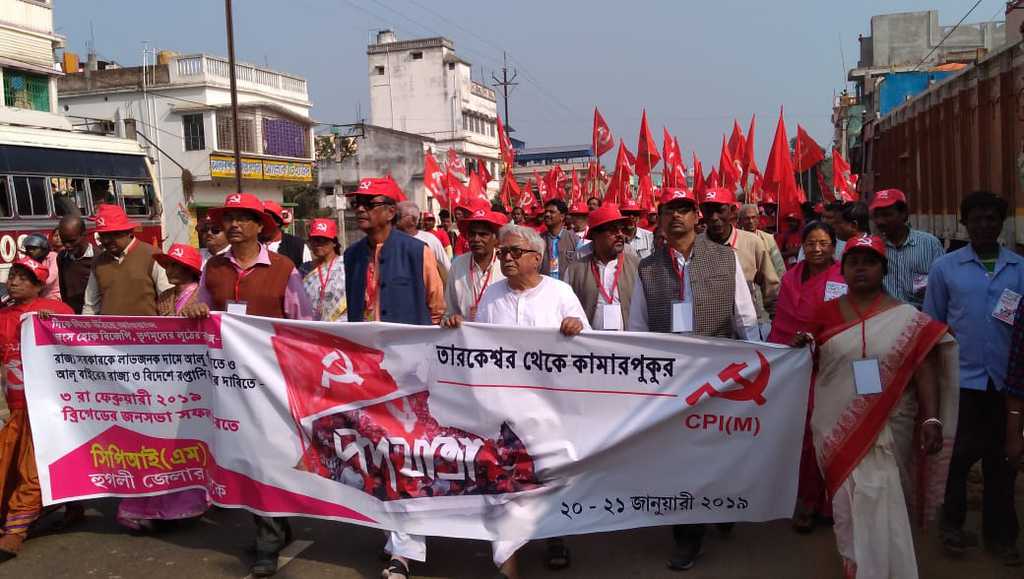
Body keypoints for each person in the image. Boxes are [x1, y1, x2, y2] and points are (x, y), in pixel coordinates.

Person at [797, 235, 957, 579]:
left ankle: (890, 568)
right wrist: (802, 346)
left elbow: (924, 366)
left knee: (887, 494)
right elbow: (809, 360)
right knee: (847, 499)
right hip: (836, 422)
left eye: (869, 262)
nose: (860, 269)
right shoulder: (824, 313)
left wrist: (931, 417)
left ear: (883, 269)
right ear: (843, 269)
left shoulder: (906, 317)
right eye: (853, 262)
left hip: (891, 422)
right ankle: (855, 564)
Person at [440, 222, 588, 579]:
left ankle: (555, 538)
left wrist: (574, 326)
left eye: (513, 252)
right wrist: (455, 325)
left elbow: (589, 349)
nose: (505, 258)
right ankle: (508, 562)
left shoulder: (560, 293)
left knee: (551, 475)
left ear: (536, 259)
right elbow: (480, 346)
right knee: (504, 481)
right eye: (502, 252)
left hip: (551, 408)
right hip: (503, 410)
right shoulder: (491, 296)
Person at [627, 187, 758, 571]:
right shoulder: (648, 267)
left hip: (717, 374)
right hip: (670, 379)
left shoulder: (724, 258)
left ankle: (722, 502)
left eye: (684, 209)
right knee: (679, 456)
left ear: (696, 217)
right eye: (670, 210)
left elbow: (745, 317)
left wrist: (761, 360)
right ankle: (687, 535)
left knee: (717, 447)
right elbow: (638, 328)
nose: (677, 217)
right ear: (660, 217)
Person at [182, 192, 312, 577]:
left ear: (260, 226)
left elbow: (301, 322)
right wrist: (194, 308)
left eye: (243, 218)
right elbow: (200, 308)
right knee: (246, 454)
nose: (234, 224)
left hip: (270, 380)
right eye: (229, 218)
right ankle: (274, 528)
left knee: (266, 456)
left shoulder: (284, 267)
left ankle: (269, 539)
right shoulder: (213, 268)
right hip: (227, 380)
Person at [922, 191, 1024, 564]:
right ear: (964, 223)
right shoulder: (945, 269)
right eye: (976, 219)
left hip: (1004, 385)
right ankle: (951, 526)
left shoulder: (1019, 269)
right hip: (960, 382)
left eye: (991, 220)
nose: (984, 225)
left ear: (1002, 224)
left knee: (1003, 462)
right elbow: (932, 326)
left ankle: (1002, 537)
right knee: (957, 459)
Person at [116, 243, 210, 532]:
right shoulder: (165, 297)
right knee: (159, 440)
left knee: (190, 439)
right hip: (164, 378)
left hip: (196, 379)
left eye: (174, 266)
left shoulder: (203, 297)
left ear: (189, 269)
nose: (168, 271)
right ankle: (152, 504)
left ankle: (188, 501)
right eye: (167, 265)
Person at [767, 221, 845, 533]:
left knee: (828, 435)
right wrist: (786, 350)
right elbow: (782, 322)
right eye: (810, 243)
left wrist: (818, 341)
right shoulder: (789, 278)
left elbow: (846, 321)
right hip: (795, 367)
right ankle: (804, 497)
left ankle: (826, 501)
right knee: (801, 437)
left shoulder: (842, 277)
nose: (816, 249)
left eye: (823, 243)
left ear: (833, 246)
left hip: (831, 368)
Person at [0, 257, 73, 560]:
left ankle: (15, 531)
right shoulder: (3, 315)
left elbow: (79, 347)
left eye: (22, 278)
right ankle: (71, 506)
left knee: (32, 469)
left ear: (39, 285)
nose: (14, 282)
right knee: (8, 464)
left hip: (48, 407)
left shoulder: (57, 311)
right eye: (13, 276)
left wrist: (55, 326)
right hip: (14, 405)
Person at [344, 178, 445, 327]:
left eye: (369, 204)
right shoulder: (351, 255)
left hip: (407, 346)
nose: (360, 209)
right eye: (356, 204)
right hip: (364, 346)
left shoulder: (417, 252)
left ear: (391, 212)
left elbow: (437, 309)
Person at [701, 187, 780, 340]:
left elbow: (771, 286)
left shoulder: (752, 243)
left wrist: (776, 322)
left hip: (748, 330)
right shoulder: (696, 246)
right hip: (709, 333)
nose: (714, 217)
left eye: (720, 210)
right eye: (708, 212)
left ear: (732, 211)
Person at [82, 204, 171, 316]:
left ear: (128, 232)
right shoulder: (99, 262)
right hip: (110, 331)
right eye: (102, 235)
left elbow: (167, 297)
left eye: (113, 234)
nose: (106, 240)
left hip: (146, 331)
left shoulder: (152, 255)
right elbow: (90, 306)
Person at [563, 203, 639, 330]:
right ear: (595, 235)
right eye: (613, 230)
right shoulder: (575, 271)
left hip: (629, 344)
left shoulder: (637, 266)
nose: (620, 234)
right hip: (590, 345)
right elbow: (566, 309)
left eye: (622, 229)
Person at [869, 189, 944, 309]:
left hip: (922, 317)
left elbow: (944, 285)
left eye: (886, 214)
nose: (880, 221)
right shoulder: (872, 247)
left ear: (903, 213)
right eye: (876, 216)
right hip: (885, 318)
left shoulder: (929, 244)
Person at [443, 208, 506, 320]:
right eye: (472, 234)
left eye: (483, 234)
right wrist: (453, 319)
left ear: (495, 238)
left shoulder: (506, 264)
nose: (476, 239)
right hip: (467, 334)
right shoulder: (457, 265)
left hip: (498, 334)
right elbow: (450, 311)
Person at [302, 218, 347, 322]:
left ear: (334, 242)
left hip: (341, 325)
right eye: (314, 240)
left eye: (323, 240)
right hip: (312, 326)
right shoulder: (304, 269)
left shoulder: (345, 265)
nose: (318, 244)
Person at [396, 200, 451, 275]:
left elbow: (446, 267)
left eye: (398, 216)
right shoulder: (392, 241)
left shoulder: (430, 240)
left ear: (413, 219)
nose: (395, 220)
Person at [56, 215, 95, 315]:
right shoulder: (62, 257)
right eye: (64, 241)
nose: (67, 246)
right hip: (72, 314)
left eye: (72, 241)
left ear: (84, 235)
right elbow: (63, 289)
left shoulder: (99, 257)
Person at [738, 203, 785, 278]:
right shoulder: (736, 239)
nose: (751, 221)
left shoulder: (768, 239)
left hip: (766, 284)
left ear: (758, 218)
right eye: (747, 218)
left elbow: (779, 265)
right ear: (740, 221)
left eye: (753, 217)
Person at [261, 200, 312, 268]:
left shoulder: (298, 245)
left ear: (278, 222)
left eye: (266, 218)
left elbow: (307, 273)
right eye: (257, 218)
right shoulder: (251, 244)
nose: (261, 223)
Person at [539, 199, 580, 279]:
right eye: (546, 212)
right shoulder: (538, 240)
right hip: (545, 286)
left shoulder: (575, 240)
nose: (547, 214)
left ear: (562, 216)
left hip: (567, 287)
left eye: (551, 212)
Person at [20, 233, 60, 301]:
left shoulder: (53, 257)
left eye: (34, 248)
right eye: (28, 248)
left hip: (54, 296)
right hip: (37, 298)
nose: (30, 251)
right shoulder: (29, 260)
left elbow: (48, 280)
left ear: (43, 248)